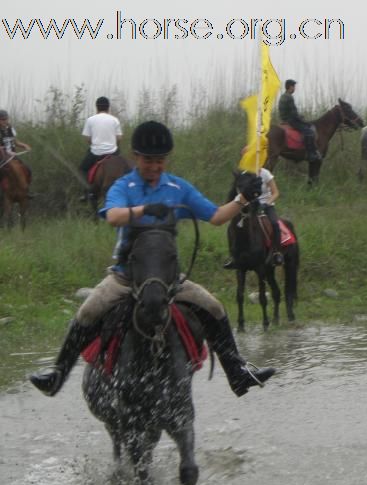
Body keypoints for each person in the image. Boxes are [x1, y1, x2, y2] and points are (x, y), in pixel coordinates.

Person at [28, 120, 276, 399]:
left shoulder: (178, 187)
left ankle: (238, 373)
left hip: (168, 279)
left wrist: (243, 198)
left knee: (214, 307)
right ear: (136, 157)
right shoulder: (124, 185)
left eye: (159, 161)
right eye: (148, 161)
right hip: (126, 277)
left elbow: (217, 217)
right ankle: (57, 375)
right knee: (87, 311)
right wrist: (144, 208)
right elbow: (112, 216)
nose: (154, 167)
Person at [224, 153, 284, 268]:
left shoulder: (265, 174)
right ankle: (233, 256)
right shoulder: (244, 175)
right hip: (249, 205)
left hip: (266, 205)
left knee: (275, 223)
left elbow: (276, 192)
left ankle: (276, 253)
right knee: (232, 226)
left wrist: (267, 203)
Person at [79, 96, 123, 201]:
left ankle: (87, 193)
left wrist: (94, 144)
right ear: (108, 108)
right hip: (113, 152)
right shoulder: (115, 120)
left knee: (82, 169)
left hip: (96, 152)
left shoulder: (90, 120)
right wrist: (114, 145)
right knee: (124, 165)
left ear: (97, 107)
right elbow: (119, 138)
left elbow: (87, 138)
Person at [277, 79, 320, 162]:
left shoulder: (283, 96)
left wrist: (299, 117)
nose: (294, 88)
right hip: (291, 120)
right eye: (294, 86)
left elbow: (290, 111)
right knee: (309, 132)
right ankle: (311, 154)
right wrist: (303, 121)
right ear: (290, 87)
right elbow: (294, 114)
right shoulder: (289, 97)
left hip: (284, 119)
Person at [0, 109, 33, 184]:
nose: (5, 121)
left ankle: (26, 189)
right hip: (1, 157)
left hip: (12, 156)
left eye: (6, 119)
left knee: (27, 169)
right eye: (2, 119)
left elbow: (16, 142)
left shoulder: (10, 129)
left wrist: (25, 146)